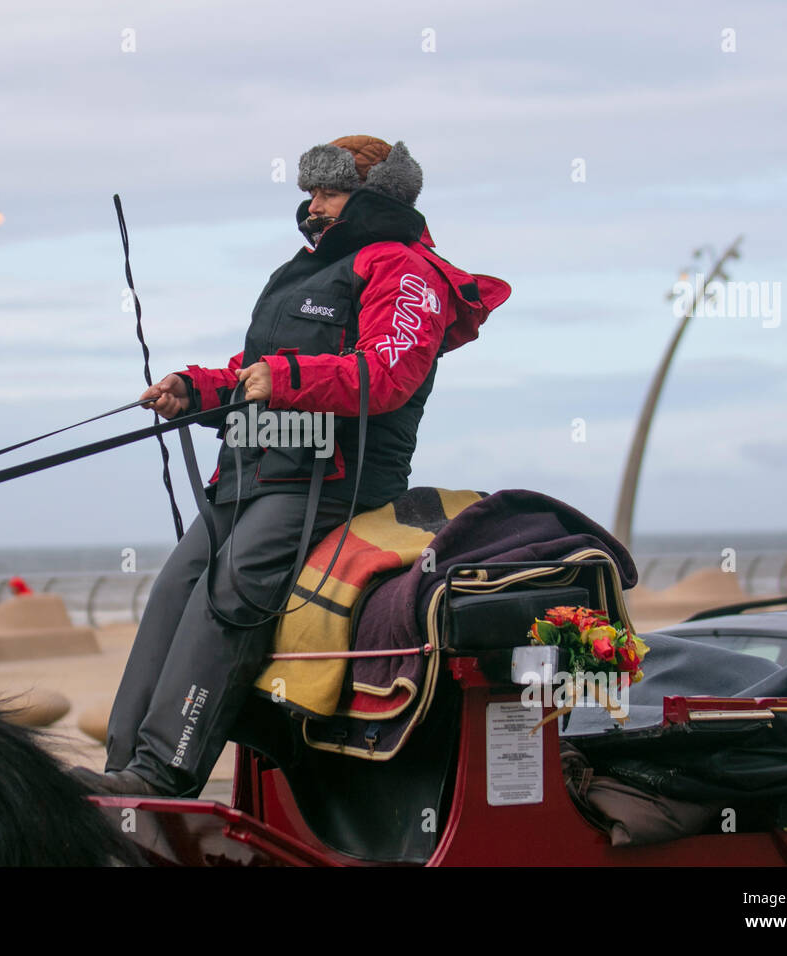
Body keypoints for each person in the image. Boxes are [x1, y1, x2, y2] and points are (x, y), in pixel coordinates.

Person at [78, 135, 510, 798]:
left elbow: (386, 374)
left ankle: (165, 773)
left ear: (372, 196)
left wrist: (279, 377)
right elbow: (257, 376)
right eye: (309, 193)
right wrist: (195, 389)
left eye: (328, 192)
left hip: (331, 481)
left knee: (231, 597)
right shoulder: (304, 271)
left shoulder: (405, 269)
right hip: (250, 474)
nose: (313, 206)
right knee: (171, 594)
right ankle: (121, 773)